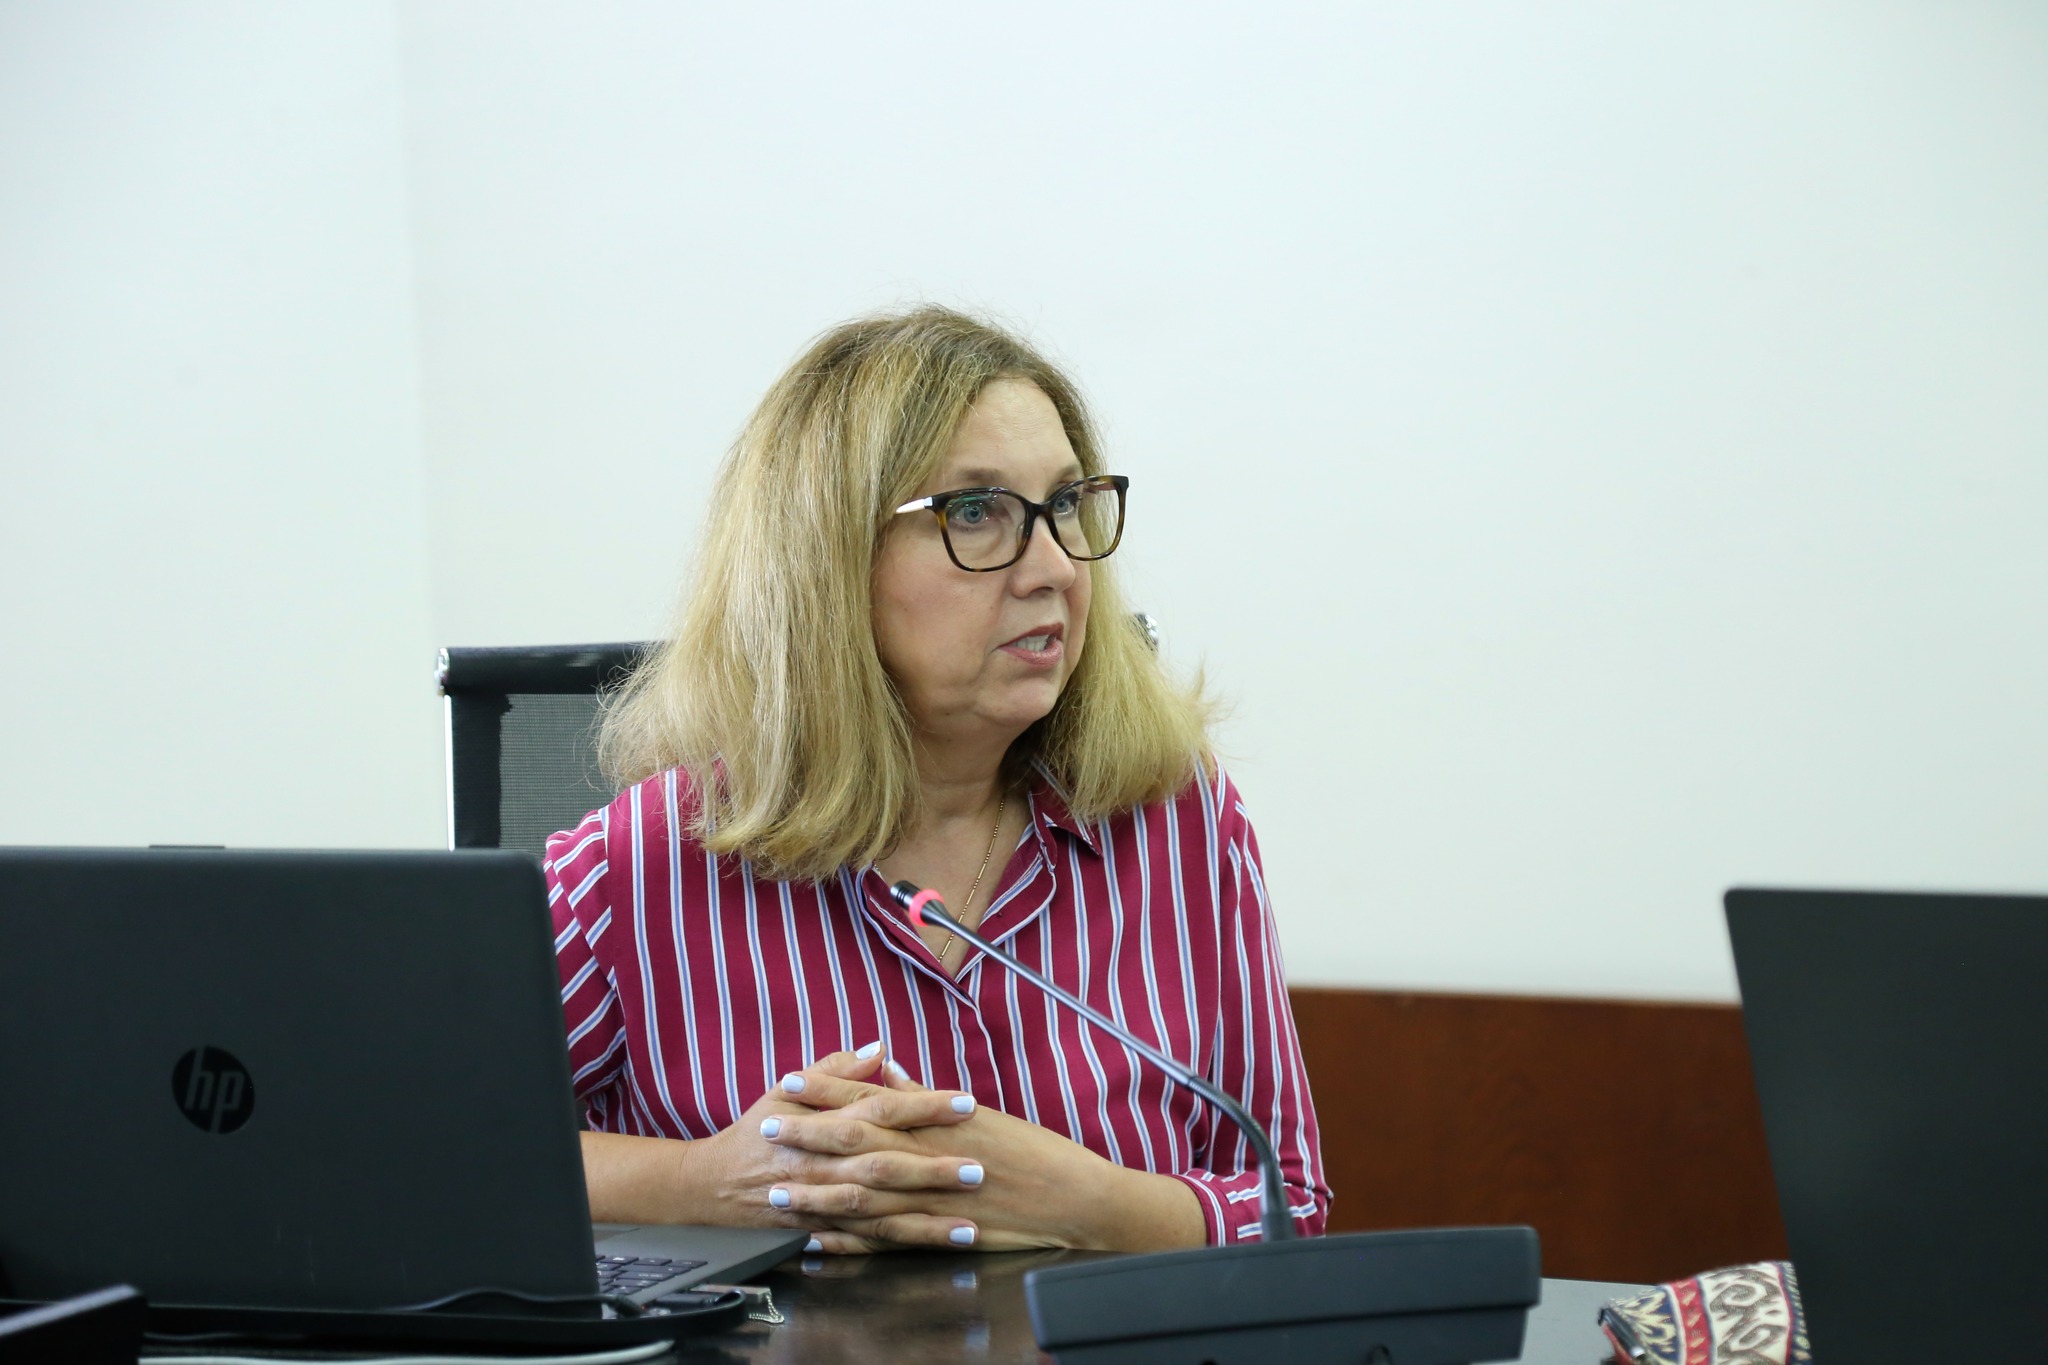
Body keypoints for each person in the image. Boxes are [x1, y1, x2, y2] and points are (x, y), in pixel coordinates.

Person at [545, 306, 1328, 1254]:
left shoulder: (1178, 820)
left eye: (1066, 505)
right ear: (827, 562)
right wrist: (702, 1181)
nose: (1054, 568)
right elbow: (432, 1158)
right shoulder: (641, 864)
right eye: (975, 512)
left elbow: (1288, 1206)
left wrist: (1084, 1201)